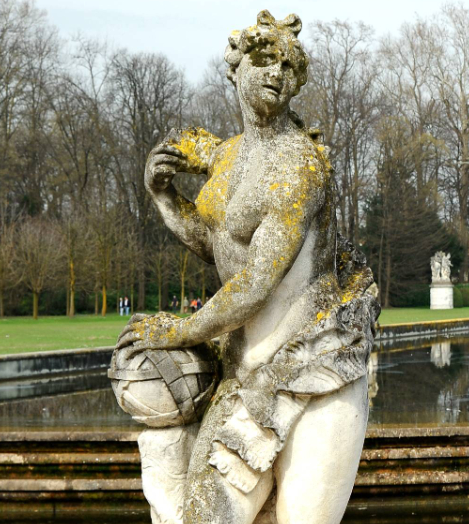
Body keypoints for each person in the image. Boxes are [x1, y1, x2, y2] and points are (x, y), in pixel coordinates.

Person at [115, 12, 378, 522]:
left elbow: (257, 282)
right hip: (244, 369)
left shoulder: (298, 165)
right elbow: (219, 246)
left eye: (288, 66)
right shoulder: (228, 158)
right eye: (264, 60)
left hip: (314, 365)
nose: (277, 73)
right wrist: (164, 197)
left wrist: (181, 331)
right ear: (236, 69)